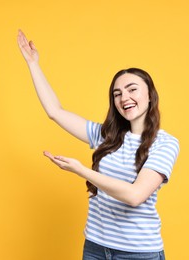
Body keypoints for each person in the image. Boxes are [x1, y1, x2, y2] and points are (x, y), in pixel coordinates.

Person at [17, 29, 179, 260]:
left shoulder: (165, 143)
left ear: (150, 95)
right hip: (95, 247)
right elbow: (55, 111)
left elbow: (135, 195)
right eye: (117, 93)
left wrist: (80, 170)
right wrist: (33, 64)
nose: (124, 98)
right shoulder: (106, 136)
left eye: (132, 89)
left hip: (138, 253)